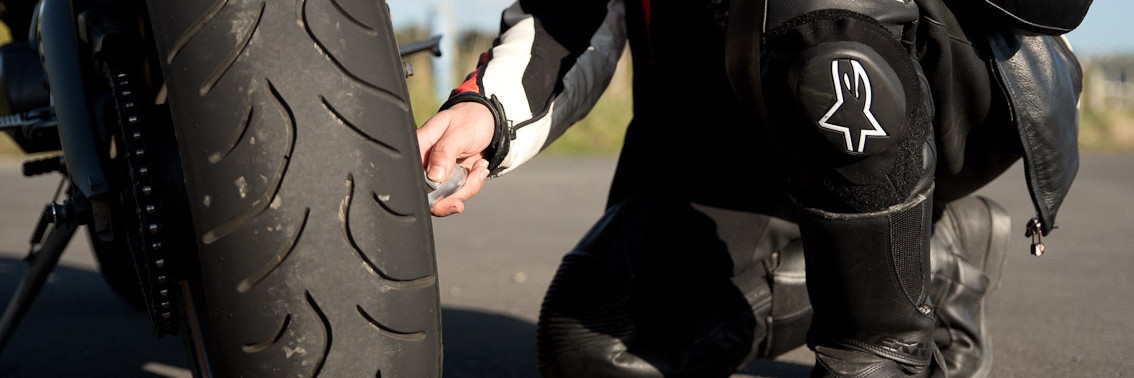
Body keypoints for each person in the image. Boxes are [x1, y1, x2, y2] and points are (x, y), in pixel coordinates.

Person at [416, 0, 1087, 376]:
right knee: (597, 349)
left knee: (820, 12)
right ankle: (937, 255)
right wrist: (489, 111)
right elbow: (574, 9)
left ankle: (882, 353)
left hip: (927, 91)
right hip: (728, 158)